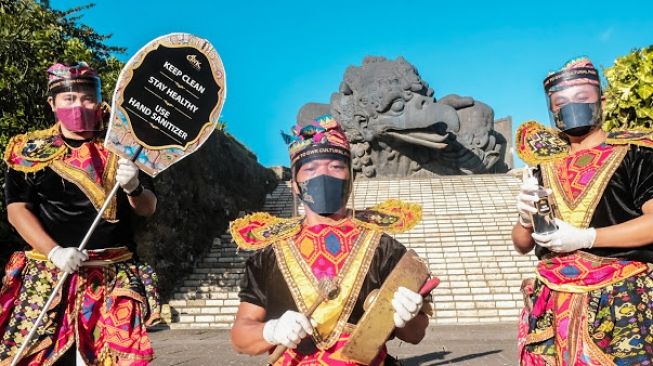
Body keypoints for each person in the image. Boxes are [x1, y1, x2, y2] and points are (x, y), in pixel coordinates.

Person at [229, 114, 432, 365]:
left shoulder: (384, 246)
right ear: (294, 184)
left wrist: (407, 315)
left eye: (336, 166)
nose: (323, 175)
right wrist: (270, 330)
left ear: (350, 177)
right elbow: (240, 335)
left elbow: (416, 334)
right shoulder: (268, 255)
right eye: (311, 169)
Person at [0, 62, 160, 365]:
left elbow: (148, 208)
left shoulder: (126, 146)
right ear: (52, 103)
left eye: (87, 98)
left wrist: (134, 187)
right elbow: (17, 210)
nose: (79, 105)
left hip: (113, 274)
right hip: (51, 272)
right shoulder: (29, 150)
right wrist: (54, 252)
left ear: (99, 102)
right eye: (68, 99)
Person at [513, 57, 653, 365]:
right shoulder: (543, 166)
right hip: (551, 300)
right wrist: (525, 218)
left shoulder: (635, 153)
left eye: (581, 98)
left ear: (601, 100)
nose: (570, 107)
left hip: (617, 298)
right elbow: (523, 244)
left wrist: (587, 237)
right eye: (559, 101)